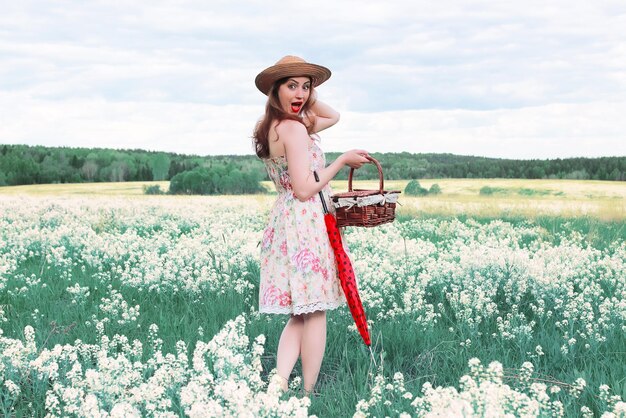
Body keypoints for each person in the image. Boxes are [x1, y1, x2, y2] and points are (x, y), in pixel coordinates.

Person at [253, 55, 369, 395]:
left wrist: (306, 93)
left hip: (286, 221)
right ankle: (309, 392)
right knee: (315, 311)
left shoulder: (276, 127)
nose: (300, 93)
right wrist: (341, 161)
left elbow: (333, 116)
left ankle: (279, 383)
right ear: (275, 91)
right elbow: (305, 188)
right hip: (305, 223)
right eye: (291, 85)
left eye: (306, 86)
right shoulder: (294, 129)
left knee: (300, 312)